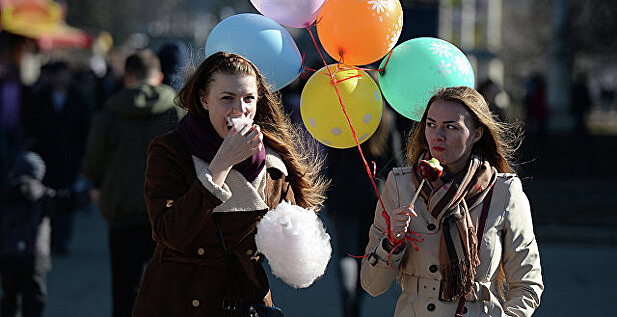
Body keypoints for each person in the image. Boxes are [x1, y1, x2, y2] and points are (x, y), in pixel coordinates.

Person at [132, 52, 328, 316]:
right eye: (227, 98)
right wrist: (221, 165)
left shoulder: (273, 161)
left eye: (248, 98)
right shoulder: (170, 150)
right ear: (204, 99)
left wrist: (296, 238)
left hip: (246, 302)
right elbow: (170, 232)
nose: (240, 109)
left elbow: (294, 249)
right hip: (180, 298)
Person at [360, 86, 543, 316]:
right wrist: (391, 242)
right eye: (431, 124)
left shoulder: (503, 191)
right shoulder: (400, 185)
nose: (437, 135)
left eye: (450, 126)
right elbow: (371, 285)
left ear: (477, 133)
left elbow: (528, 284)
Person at [81, 49, 184, 317]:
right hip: (166, 212)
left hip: (121, 211)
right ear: (160, 75)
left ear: (127, 76)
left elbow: (93, 163)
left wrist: (96, 186)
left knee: (124, 290)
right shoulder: (176, 111)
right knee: (165, 290)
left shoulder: (108, 113)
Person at [325, 106, 403, 317]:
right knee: (365, 252)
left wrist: (328, 196)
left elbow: (331, 161)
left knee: (346, 252)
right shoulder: (386, 118)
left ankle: (349, 303)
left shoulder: (344, 117)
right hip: (374, 195)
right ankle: (358, 299)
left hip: (343, 193)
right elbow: (395, 162)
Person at [29, 60, 91, 255]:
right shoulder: (40, 99)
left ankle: (62, 240)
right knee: (46, 199)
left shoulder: (77, 99)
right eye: (58, 74)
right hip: (45, 157)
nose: (61, 78)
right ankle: (48, 238)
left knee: (66, 199)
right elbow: (32, 126)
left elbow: (85, 129)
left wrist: (82, 155)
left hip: (69, 157)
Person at [0, 151, 53, 317]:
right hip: (35, 260)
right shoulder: (44, 195)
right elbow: (65, 202)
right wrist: (86, 196)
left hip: (8, 257)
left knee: (9, 298)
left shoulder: (5, 194)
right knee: (35, 300)